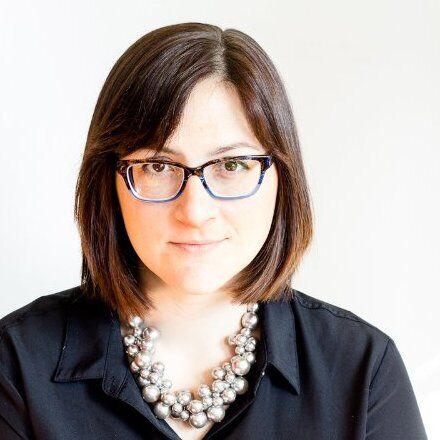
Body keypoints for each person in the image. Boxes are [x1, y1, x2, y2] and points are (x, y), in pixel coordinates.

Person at [0, 22, 428, 440]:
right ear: (107, 181)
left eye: (232, 165)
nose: (195, 211)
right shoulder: (16, 365)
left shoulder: (363, 371)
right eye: (158, 166)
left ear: (282, 178)